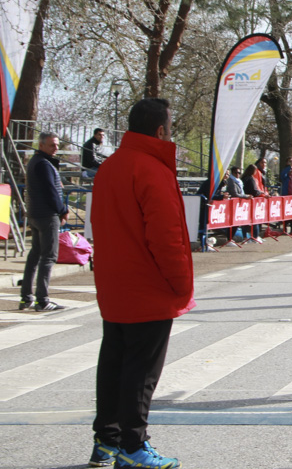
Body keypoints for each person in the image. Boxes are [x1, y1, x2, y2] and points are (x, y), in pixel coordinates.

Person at [89, 98, 193, 469]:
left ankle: (107, 440)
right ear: (161, 130)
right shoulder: (152, 169)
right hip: (147, 285)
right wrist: (181, 286)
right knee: (140, 372)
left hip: (114, 282)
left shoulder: (111, 166)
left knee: (113, 364)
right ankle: (134, 445)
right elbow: (167, 238)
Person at [20, 132, 68, 312]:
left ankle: (26, 297)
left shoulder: (36, 162)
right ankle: (42, 299)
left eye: (56, 145)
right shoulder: (43, 164)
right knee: (48, 256)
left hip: (34, 213)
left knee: (35, 254)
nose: (55, 148)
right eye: (51, 145)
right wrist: (62, 210)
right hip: (47, 215)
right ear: (41, 145)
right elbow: (50, 191)